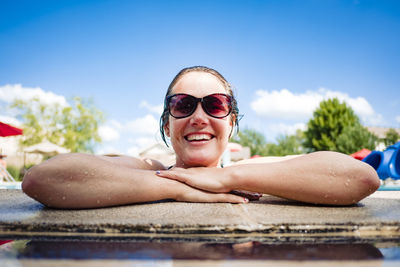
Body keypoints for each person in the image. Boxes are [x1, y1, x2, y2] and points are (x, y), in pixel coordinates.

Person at [22, 66, 380, 209]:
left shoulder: (253, 173)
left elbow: (361, 177)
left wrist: (225, 177)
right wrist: (178, 188)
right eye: (182, 105)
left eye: (215, 104)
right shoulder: (149, 168)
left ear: (232, 122)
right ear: (167, 125)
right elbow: (42, 179)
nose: (198, 117)